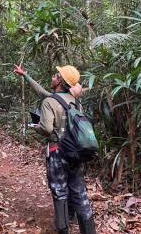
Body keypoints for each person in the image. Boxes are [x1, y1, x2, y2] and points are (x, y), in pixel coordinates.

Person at [13, 65, 96, 234]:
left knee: (59, 191)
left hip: (57, 152)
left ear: (59, 81)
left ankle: (63, 229)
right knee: (79, 191)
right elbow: (42, 92)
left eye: (55, 75)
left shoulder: (49, 102)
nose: (52, 77)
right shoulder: (75, 102)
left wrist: (35, 126)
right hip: (76, 152)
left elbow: (47, 129)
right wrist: (26, 76)